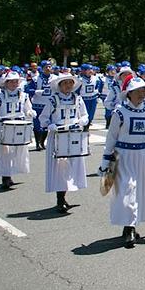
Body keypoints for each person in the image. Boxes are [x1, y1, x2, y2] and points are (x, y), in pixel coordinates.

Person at [99, 75, 145, 247]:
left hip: (144, 157)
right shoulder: (119, 113)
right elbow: (111, 138)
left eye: (143, 90)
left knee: (140, 191)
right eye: (137, 91)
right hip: (124, 157)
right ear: (129, 93)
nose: (141, 93)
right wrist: (105, 161)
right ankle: (129, 228)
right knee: (126, 190)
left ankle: (131, 226)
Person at [43, 72, 90, 213]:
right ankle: (60, 199)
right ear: (59, 85)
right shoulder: (53, 100)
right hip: (59, 136)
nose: (68, 85)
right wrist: (49, 125)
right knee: (60, 168)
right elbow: (43, 117)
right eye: (65, 83)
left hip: (73, 135)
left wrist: (83, 120)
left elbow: (84, 114)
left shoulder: (78, 98)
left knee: (72, 166)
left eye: (70, 83)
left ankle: (64, 196)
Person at [0, 70, 35, 187]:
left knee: (17, 152)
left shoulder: (24, 96)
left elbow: (28, 109)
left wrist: (30, 113)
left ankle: (11, 173)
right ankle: (6, 176)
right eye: (11, 82)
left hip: (19, 127)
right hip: (4, 127)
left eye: (16, 81)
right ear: (6, 83)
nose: (14, 84)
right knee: (4, 152)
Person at [26, 59, 54, 149]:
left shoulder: (55, 78)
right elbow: (27, 90)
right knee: (37, 125)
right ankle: (37, 143)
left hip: (49, 105)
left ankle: (42, 142)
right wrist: (36, 91)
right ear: (42, 68)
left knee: (46, 124)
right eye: (46, 67)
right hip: (38, 104)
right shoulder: (35, 79)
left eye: (49, 67)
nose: (48, 68)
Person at [75, 64, 101, 131]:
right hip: (84, 99)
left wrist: (97, 96)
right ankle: (83, 127)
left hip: (93, 99)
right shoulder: (80, 80)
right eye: (88, 69)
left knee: (91, 114)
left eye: (91, 69)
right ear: (83, 71)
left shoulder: (96, 78)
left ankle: (88, 126)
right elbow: (77, 91)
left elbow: (98, 87)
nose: (91, 71)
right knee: (83, 114)